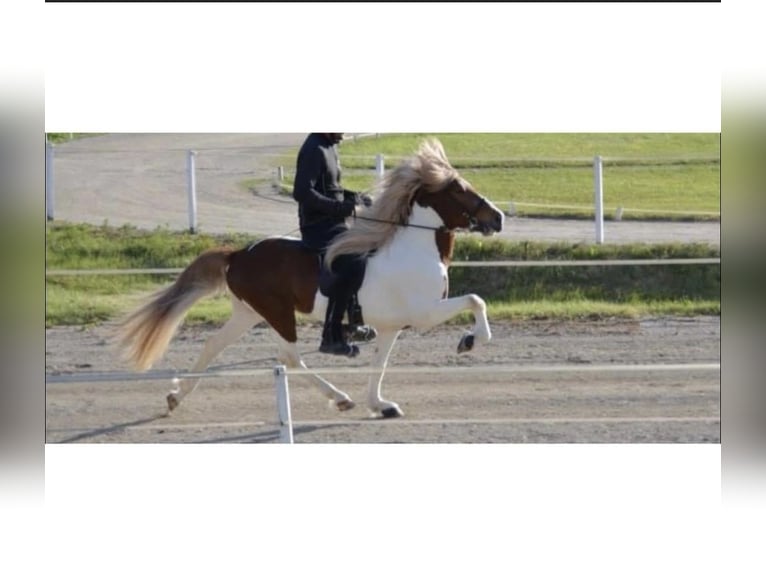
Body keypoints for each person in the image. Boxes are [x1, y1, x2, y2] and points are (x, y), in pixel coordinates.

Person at [292, 133, 375, 357]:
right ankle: (332, 334)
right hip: (317, 226)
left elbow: (330, 187)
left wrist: (354, 197)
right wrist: (338, 209)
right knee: (353, 260)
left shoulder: (329, 145)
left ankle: (354, 319)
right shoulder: (314, 148)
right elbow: (301, 192)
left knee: (371, 247)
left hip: (333, 220)